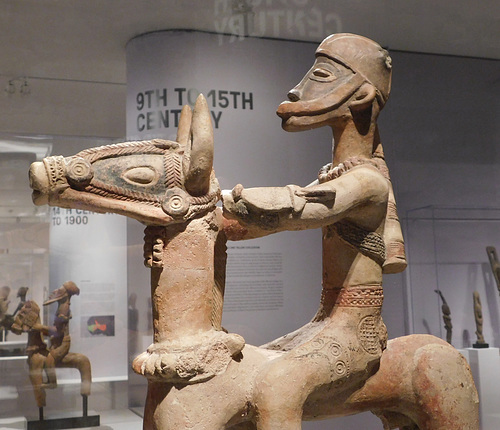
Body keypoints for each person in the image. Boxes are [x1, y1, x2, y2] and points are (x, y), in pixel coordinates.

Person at [223, 33, 406, 428]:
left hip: (357, 331)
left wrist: (221, 200)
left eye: (320, 75)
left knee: (277, 387)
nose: (296, 89)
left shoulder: (368, 181)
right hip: (325, 322)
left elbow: (300, 209)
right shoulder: (336, 176)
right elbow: (282, 215)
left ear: (359, 96)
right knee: (237, 374)